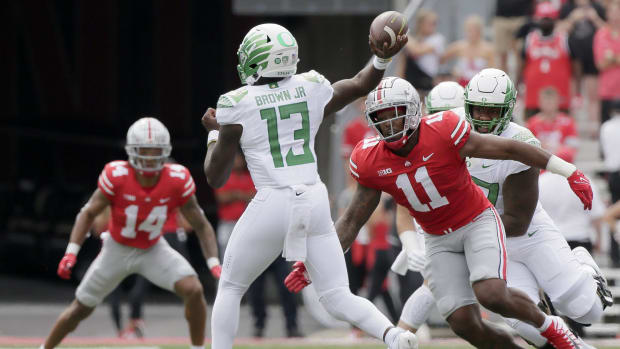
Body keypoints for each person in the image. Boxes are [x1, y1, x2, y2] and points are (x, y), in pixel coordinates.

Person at [285, 72, 596, 349]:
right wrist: (318, 261)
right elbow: (352, 219)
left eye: (395, 115)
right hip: (438, 237)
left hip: (478, 222)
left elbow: (510, 149)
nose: (388, 124)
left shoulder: (445, 129)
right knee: (463, 323)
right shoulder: (369, 159)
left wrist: (569, 171)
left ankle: (553, 327)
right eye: (380, 117)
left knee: (492, 293)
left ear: (413, 113)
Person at [202, 23, 417, 349]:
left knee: (231, 287)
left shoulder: (237, 103)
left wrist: (214, 134)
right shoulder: (310, 87)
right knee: (337, 295)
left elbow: (214, 176)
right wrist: (380, 59)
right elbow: (361, 84)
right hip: (313, 198)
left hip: (273, 198)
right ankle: (395, 336)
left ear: (258, 60)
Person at [381, 76, 610, 347]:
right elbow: (405, 193)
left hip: (526, 232)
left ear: (509, 109)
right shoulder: (444, 130)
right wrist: (413, 240)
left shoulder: (519, 138)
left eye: (493, 110)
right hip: (490, 241)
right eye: (478, 109)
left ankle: (585, 267)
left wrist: (458, 231)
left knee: (586, 307)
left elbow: (518, 220)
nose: (484, 118)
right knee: (529, 327)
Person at [41, 117, 221, 349]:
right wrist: (71, 252)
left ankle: (197, 348)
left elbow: (201, 223)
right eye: (143, 151)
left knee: (194, 290)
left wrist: (213, 261)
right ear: (131, 151)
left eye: (154, 151)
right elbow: (87, 213)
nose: (148, 157)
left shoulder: (177, 178)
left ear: (165, 152)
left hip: (153, 248)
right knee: (79, 309)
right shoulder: (116, 175)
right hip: (117, 249)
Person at [520, 1, 575, 118]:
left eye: (549, 18)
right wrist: (518, 85)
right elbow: (522, 64)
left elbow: (575, 65)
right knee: (531, 131)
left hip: (560, 97)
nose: (546, 22)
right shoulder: (530, 38)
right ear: (537, 19)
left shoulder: (564, 39)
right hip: (533, 96)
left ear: (555, 20)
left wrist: (576, 91)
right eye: (543, 18)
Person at [559, 0, 606, 134]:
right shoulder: (568, 7)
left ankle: (594, 129)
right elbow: (558, 29)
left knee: (593, 95)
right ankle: (571, 128)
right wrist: (572, 19)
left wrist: (595, 18)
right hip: (572, 56)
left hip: (592, 55)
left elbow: (608, 29)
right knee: (572, 95)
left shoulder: (597, 7)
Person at [396, 8, 445, 97]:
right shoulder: (414, 39)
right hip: (412, 80)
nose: (434, 26)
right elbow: (403, 62)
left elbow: (416, 50)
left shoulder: (437, 39)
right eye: (430, 23)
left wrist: (403, 34)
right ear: (421, 24)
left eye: (435, 23)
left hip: (426, 79)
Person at [526, 86, 579, 163]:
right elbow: (527, 149)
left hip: (562, 166)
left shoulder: (567, 122)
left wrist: (553, 149)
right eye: (545, 100)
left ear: (558, 101)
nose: (548, 103)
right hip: (539, 167)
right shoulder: (532, 123)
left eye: (551, 100)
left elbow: (572, 149)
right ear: (539, 102)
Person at [440, 15, 495, 87]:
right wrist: (451, 71)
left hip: (480, 86)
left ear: (480, 31)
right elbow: (441, 59)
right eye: (469, 30)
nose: (471, 33)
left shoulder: (488, 49)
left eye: (474, 30)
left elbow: (493, 72)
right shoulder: (459, 46)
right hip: (461, 86)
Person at [593, 1, 620, 125]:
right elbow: (600, 64)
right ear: (607, 14)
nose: (615, 16)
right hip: (607, 92)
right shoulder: (601, 34)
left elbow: (607, 60)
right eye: (612, 12)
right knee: (606, 130)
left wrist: (611, 58)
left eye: (617, 12)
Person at [493, 0, 534, 74]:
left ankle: (518, 83)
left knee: (520, 54)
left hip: (520, 18)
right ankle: (503, 82)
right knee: (502, 55)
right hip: (501, 18)